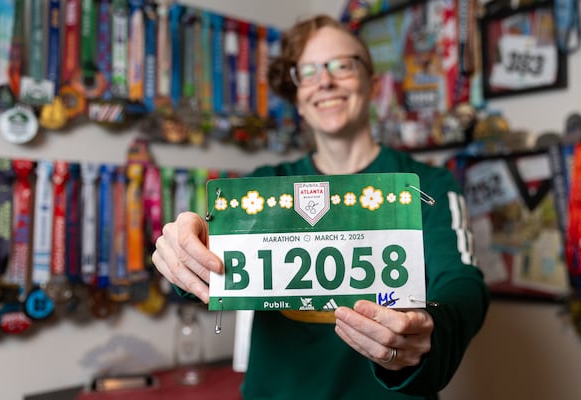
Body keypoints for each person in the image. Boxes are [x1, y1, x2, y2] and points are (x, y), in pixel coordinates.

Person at [153, 14, 490, 400]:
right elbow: (211, 263)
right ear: (298, 99)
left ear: (373, 83)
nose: (325, 81)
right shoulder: (260, 190)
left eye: (341, 66)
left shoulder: (429, 186)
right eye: (308, 72)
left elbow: (464, 284)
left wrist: (431, 329)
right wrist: (182, 252)